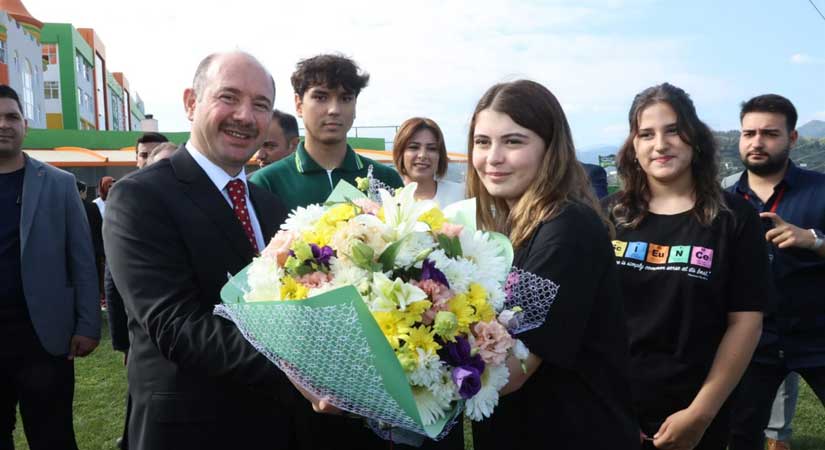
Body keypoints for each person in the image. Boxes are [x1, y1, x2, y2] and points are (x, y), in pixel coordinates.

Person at [103, 51, 295, 450]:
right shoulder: (140, 197)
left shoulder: (271, 206)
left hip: (272, 424)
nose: (245, 116)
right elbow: (175, 325)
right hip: (187, 429)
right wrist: (301, 367)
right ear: (191, 103)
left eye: (261, 105)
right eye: (229, 97)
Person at [466, 80, 638, 450]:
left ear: (550, 149)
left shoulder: (566, 230)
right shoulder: (511, 228)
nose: (493, 157)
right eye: (482, 142)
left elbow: (511, 371)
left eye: (513, 141)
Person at [605, 83, 770, 450]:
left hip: (696, 412)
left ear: (695, 138)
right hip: (612, 408)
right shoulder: (607, 216)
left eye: (673, 130)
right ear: (633, 146)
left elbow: (745, 323)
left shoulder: (735, 218)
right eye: (646, 134)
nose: (660, 144)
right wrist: (607, 408)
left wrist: (700, 414)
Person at [0, 84, 100, 450]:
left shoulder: (59, 184)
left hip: (43, 339)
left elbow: (82, 259)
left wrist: (88, 324)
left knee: (53, 437)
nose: (4, 124)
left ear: (25, 125)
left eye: (11, 116)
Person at [728, 94, 825, 450]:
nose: (757, 142)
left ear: (792, 138)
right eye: (749, 133)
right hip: (754, 342)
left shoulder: (820, 190)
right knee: (740, 436)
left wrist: (813, 240)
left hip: (819, 335)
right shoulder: (724, 202)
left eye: (769, 133)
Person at [249, 54, 403, 212]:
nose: (334, 110)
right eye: (321, 97)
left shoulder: (386, 179)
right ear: (299, 104)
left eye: (345, 98)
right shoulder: (267, 183)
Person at [391, 117, 464, 206]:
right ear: (400, 153)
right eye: (414, 147)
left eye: (431, 148)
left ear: (440, 155)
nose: (422, 155)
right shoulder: (389, 200)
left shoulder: (462, 195)